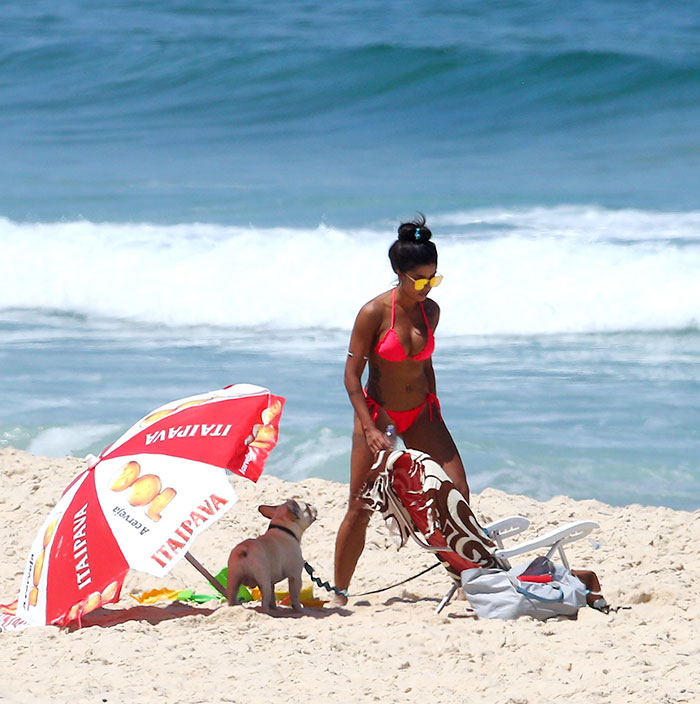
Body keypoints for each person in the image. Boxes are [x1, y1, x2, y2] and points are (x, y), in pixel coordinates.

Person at [332, 214, 469, 602]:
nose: (427, 287)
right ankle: (339, 592)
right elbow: (350, 377)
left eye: (434, 278)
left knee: (457, 491)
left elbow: (425, 363)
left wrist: (435, 408)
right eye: (420, 279)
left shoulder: (431, 311)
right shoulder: (373, 313)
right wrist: (371, 429)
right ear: (399, 272)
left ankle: (463, 579)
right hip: (381, 417)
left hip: (422, 411)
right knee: (361, 507)